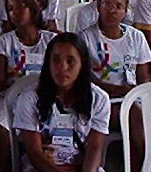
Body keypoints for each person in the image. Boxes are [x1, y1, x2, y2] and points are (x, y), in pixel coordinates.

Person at [13, 33, 109, 172]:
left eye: (70, 61)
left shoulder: (99, 99)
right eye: (56, 60)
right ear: (48, 63)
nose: (62, 67)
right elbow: (34, 154)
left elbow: (94, 149)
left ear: (82, 64)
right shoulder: (29, 98)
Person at [0, 0, 56, 172]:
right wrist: (23, 86)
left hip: (47, 99)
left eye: (21, 6)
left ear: (32, 8)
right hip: (9, 99)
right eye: (10, 9)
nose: (15, 12)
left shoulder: (51, 41)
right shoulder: (3, 43)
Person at [79, 0, 149, 171]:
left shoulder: (136, 37)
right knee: (134, 113)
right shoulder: (86, 38)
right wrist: (114, 90)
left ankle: (147, 164)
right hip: (99, 100)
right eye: (107, 5)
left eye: (118, 6)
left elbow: (143, 76)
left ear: (125, 11)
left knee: (140, 112)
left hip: (132, 98)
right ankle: (149, 164)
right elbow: (84, 77)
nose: (112, 10)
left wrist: (138, 93)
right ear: (98, 7)